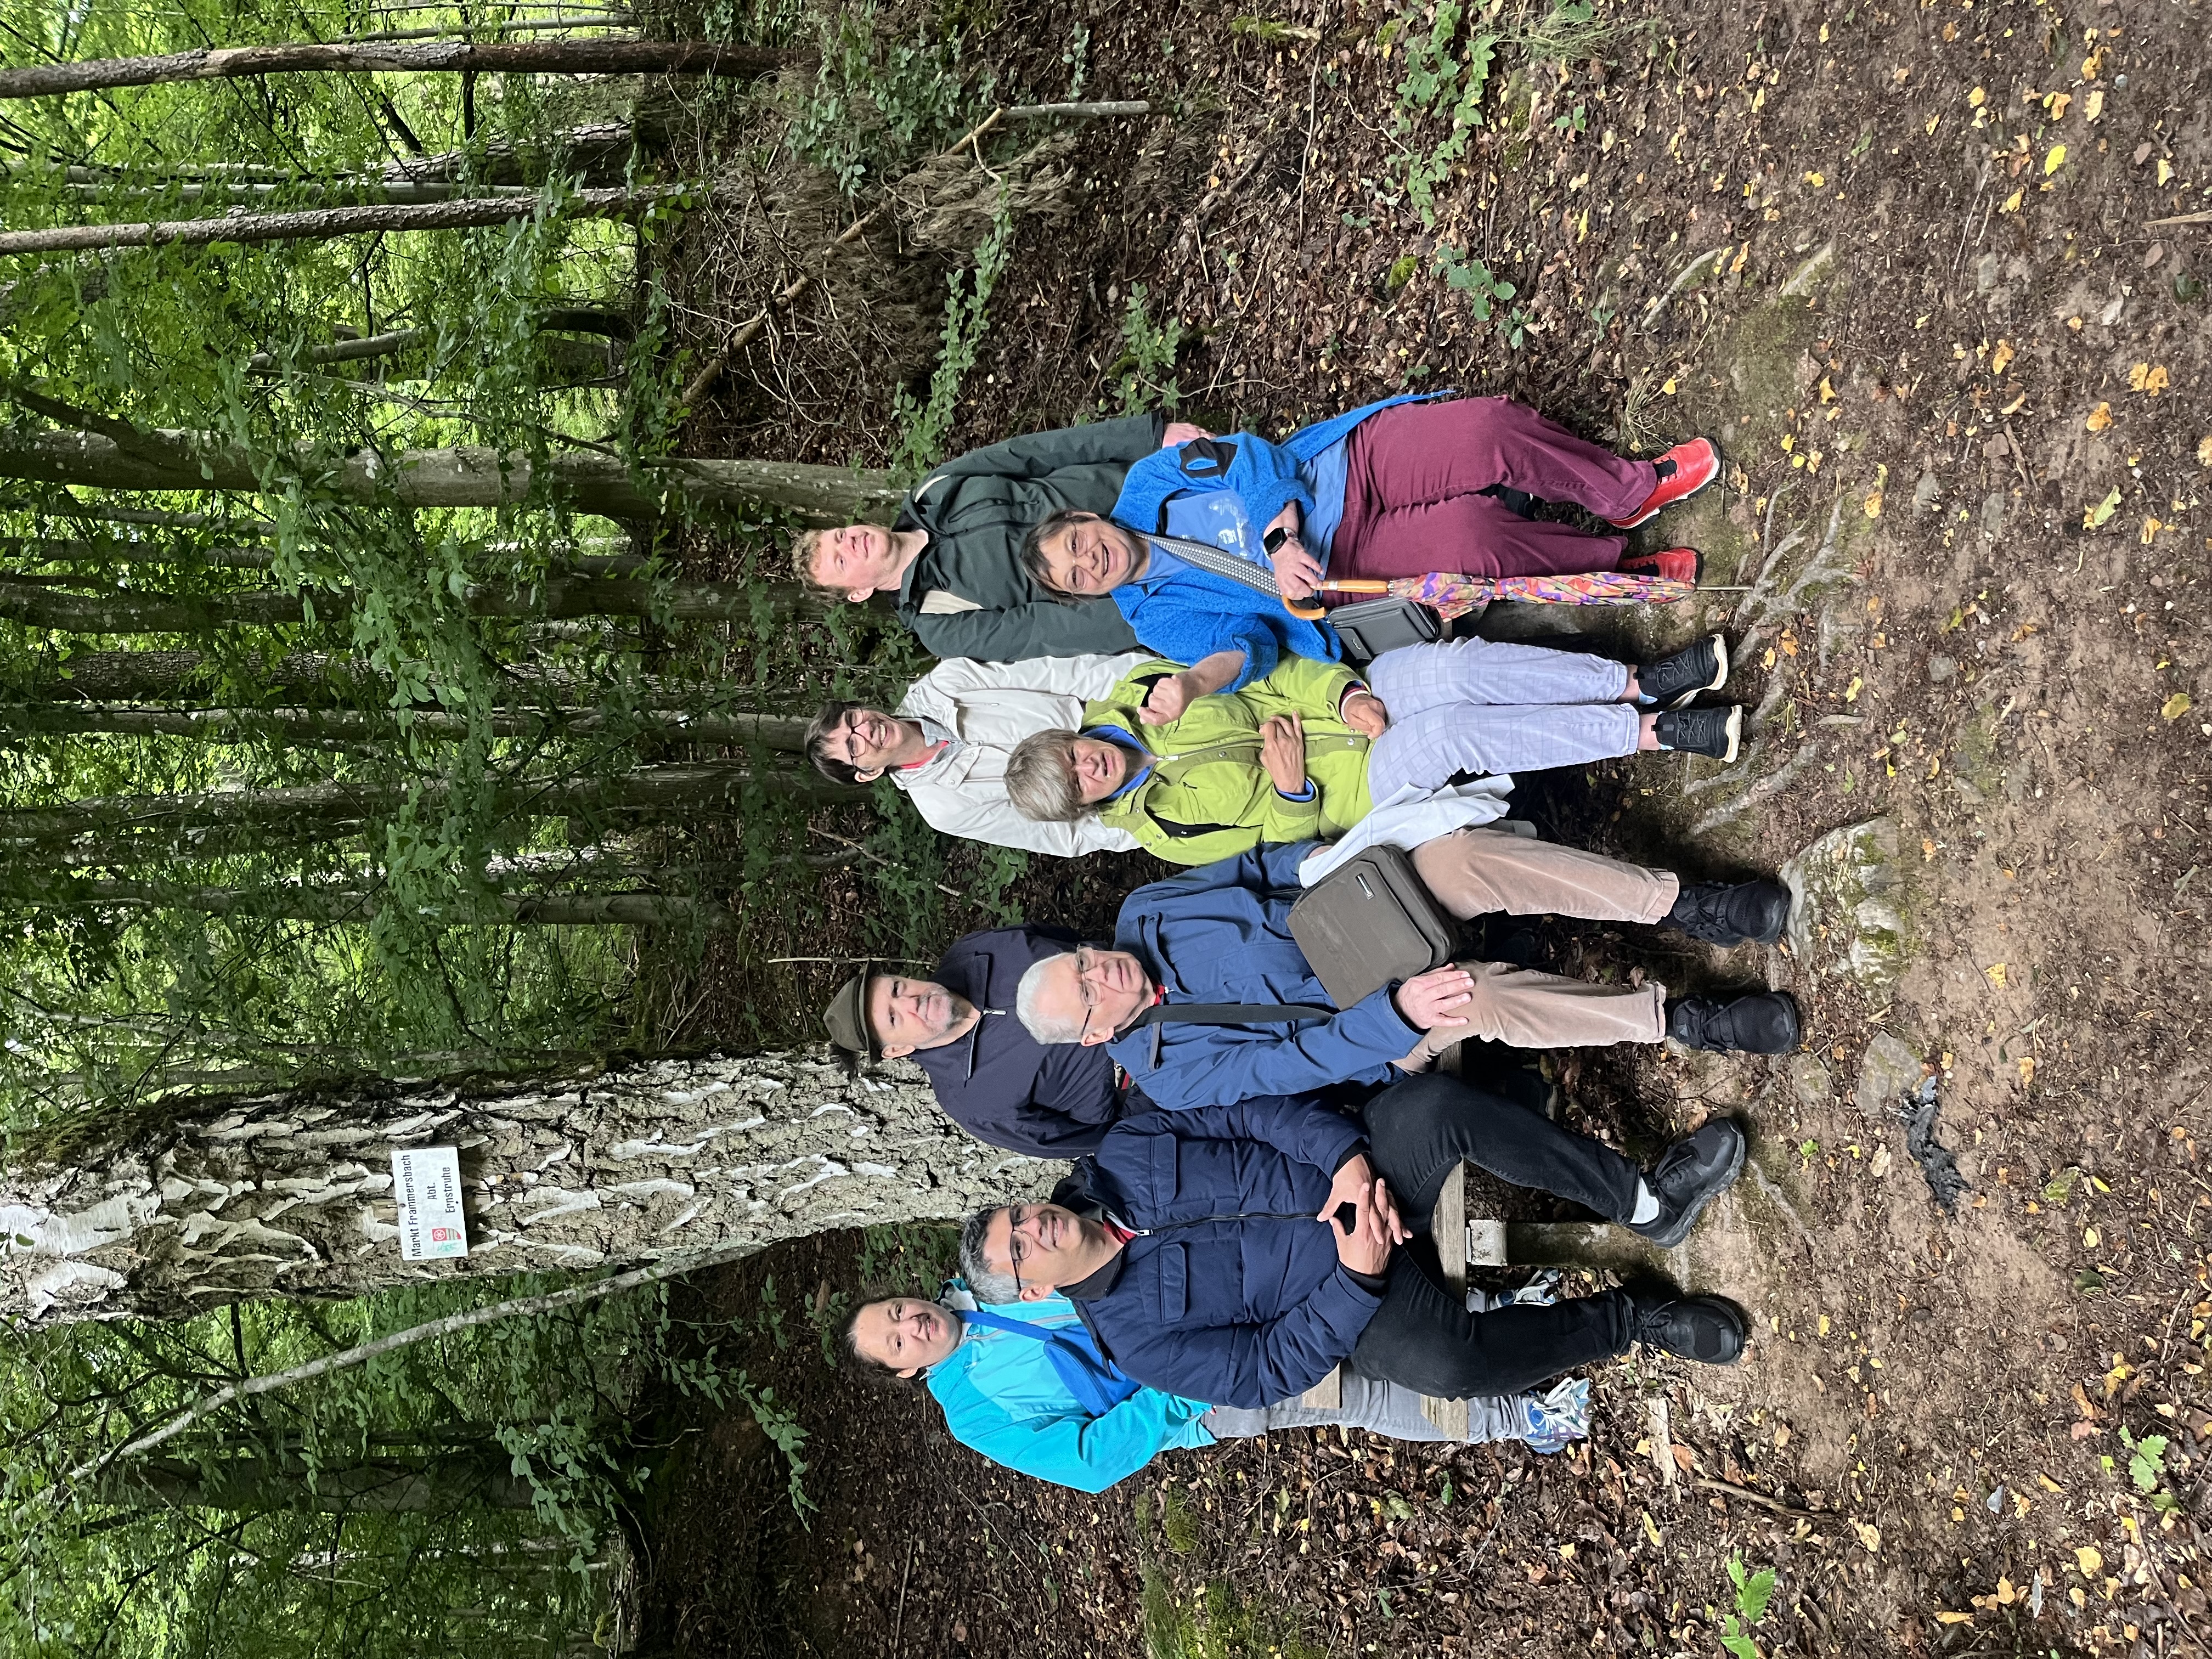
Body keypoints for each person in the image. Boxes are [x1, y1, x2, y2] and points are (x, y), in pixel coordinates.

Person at [956, 1076, 1750, 1409]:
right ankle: (1632, 1321)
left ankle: (1647, 1202)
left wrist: (1343, 1160)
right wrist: (1353, 1278)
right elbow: (1264, 1371)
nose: (1034, 1229)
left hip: (1352, 1170)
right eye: (1019, 1250)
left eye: (1017, 1217)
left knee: (1435, 1110)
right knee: (1450, 1368)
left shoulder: (1120, 1153)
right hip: (1350, 1301)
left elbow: (1245, 1111)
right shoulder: (1137, 1344)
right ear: (1033, 1291)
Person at [1017, 397, 1717, 711]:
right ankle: (1612, 571)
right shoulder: (1153, 618)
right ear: (1084, 596)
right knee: (1478, 541)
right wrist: (1199, 684)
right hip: (1343, 571)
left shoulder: (1149, 483)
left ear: (1084, 518)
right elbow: (1250, 645)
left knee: (1485, 430)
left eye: (1078, 544)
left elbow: (1244, 456)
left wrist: (1277, 537)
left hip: (1340, 469)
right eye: (1078, 577)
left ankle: (1627, 489)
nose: (1091, 562)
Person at [1008, 840, 1799, 1112]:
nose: (1098, 969)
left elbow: (1251, 866)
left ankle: (1685, 905)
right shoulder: (1169, 1074)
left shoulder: (1145, 911)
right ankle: (1683, 1022)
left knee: (1462, 858)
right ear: (1095, 1034)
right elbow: (1298, 1063)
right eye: (1087, 991)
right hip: (1358, 1024)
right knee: (1472, 996)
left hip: (1351, 913)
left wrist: (1312, 861)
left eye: (1079, 962)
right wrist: (1397, 1012)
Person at [1003, 636, 1742, 864]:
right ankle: (1652, 733)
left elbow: (1268, 675)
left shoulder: (1144, 694)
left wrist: (1345, 699)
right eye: (1079, 787)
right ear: (1087, 808)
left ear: (1070, 738)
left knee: (1455, 669)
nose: (1087, 769)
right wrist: (1292, 792)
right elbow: (1277, 850)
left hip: (1346, 698)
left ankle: (1638, 683)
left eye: (1072, 756)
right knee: (1451, 731)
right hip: (1359, 787)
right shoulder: (1163, 831)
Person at [842, 1279, 1590, 1493]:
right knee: (1353, 1393)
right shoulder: (972, 1414)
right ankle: (1521, 1418)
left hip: (1206, 1307)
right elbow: (1088, 1461)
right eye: (897, 1341)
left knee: (1357, 1317)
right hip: (1199, 1389)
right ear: (907, 1372)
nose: (910, 1324)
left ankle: (1501, 1318)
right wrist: (1175, 1389)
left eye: (895, 1311)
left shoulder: (984, 1272)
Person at [792, 413, 1209, 661]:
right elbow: (1053, 630)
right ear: (859, 594)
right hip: (1162, 581)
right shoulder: (938, 622)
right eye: (842, 562)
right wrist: (1167, 616)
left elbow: (1035, 452)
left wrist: (1149, 437)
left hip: (1156, 486)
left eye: (840, 536)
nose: (850, 543)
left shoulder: (932, 491)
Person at [821, 928, 1137, 1158]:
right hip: (1149, 1079)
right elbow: (1089, 1141)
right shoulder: (971, 1102)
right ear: (897, 1050)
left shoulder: (978, 951)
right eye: (894, 1019)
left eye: (898, 988)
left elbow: (1084, 945)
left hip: (1153, 981)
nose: (911, 1002)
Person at [804, 651, 1153, 857]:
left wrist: (1154, 681)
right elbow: (1064, 835)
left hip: (1140, 712)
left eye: (853, 719)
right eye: (853, 746)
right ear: (866, 773)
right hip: (1136, 792)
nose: (865, 731)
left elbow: (1068, 675)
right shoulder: (943, 808)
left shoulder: (944, 683)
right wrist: (1150, 823)